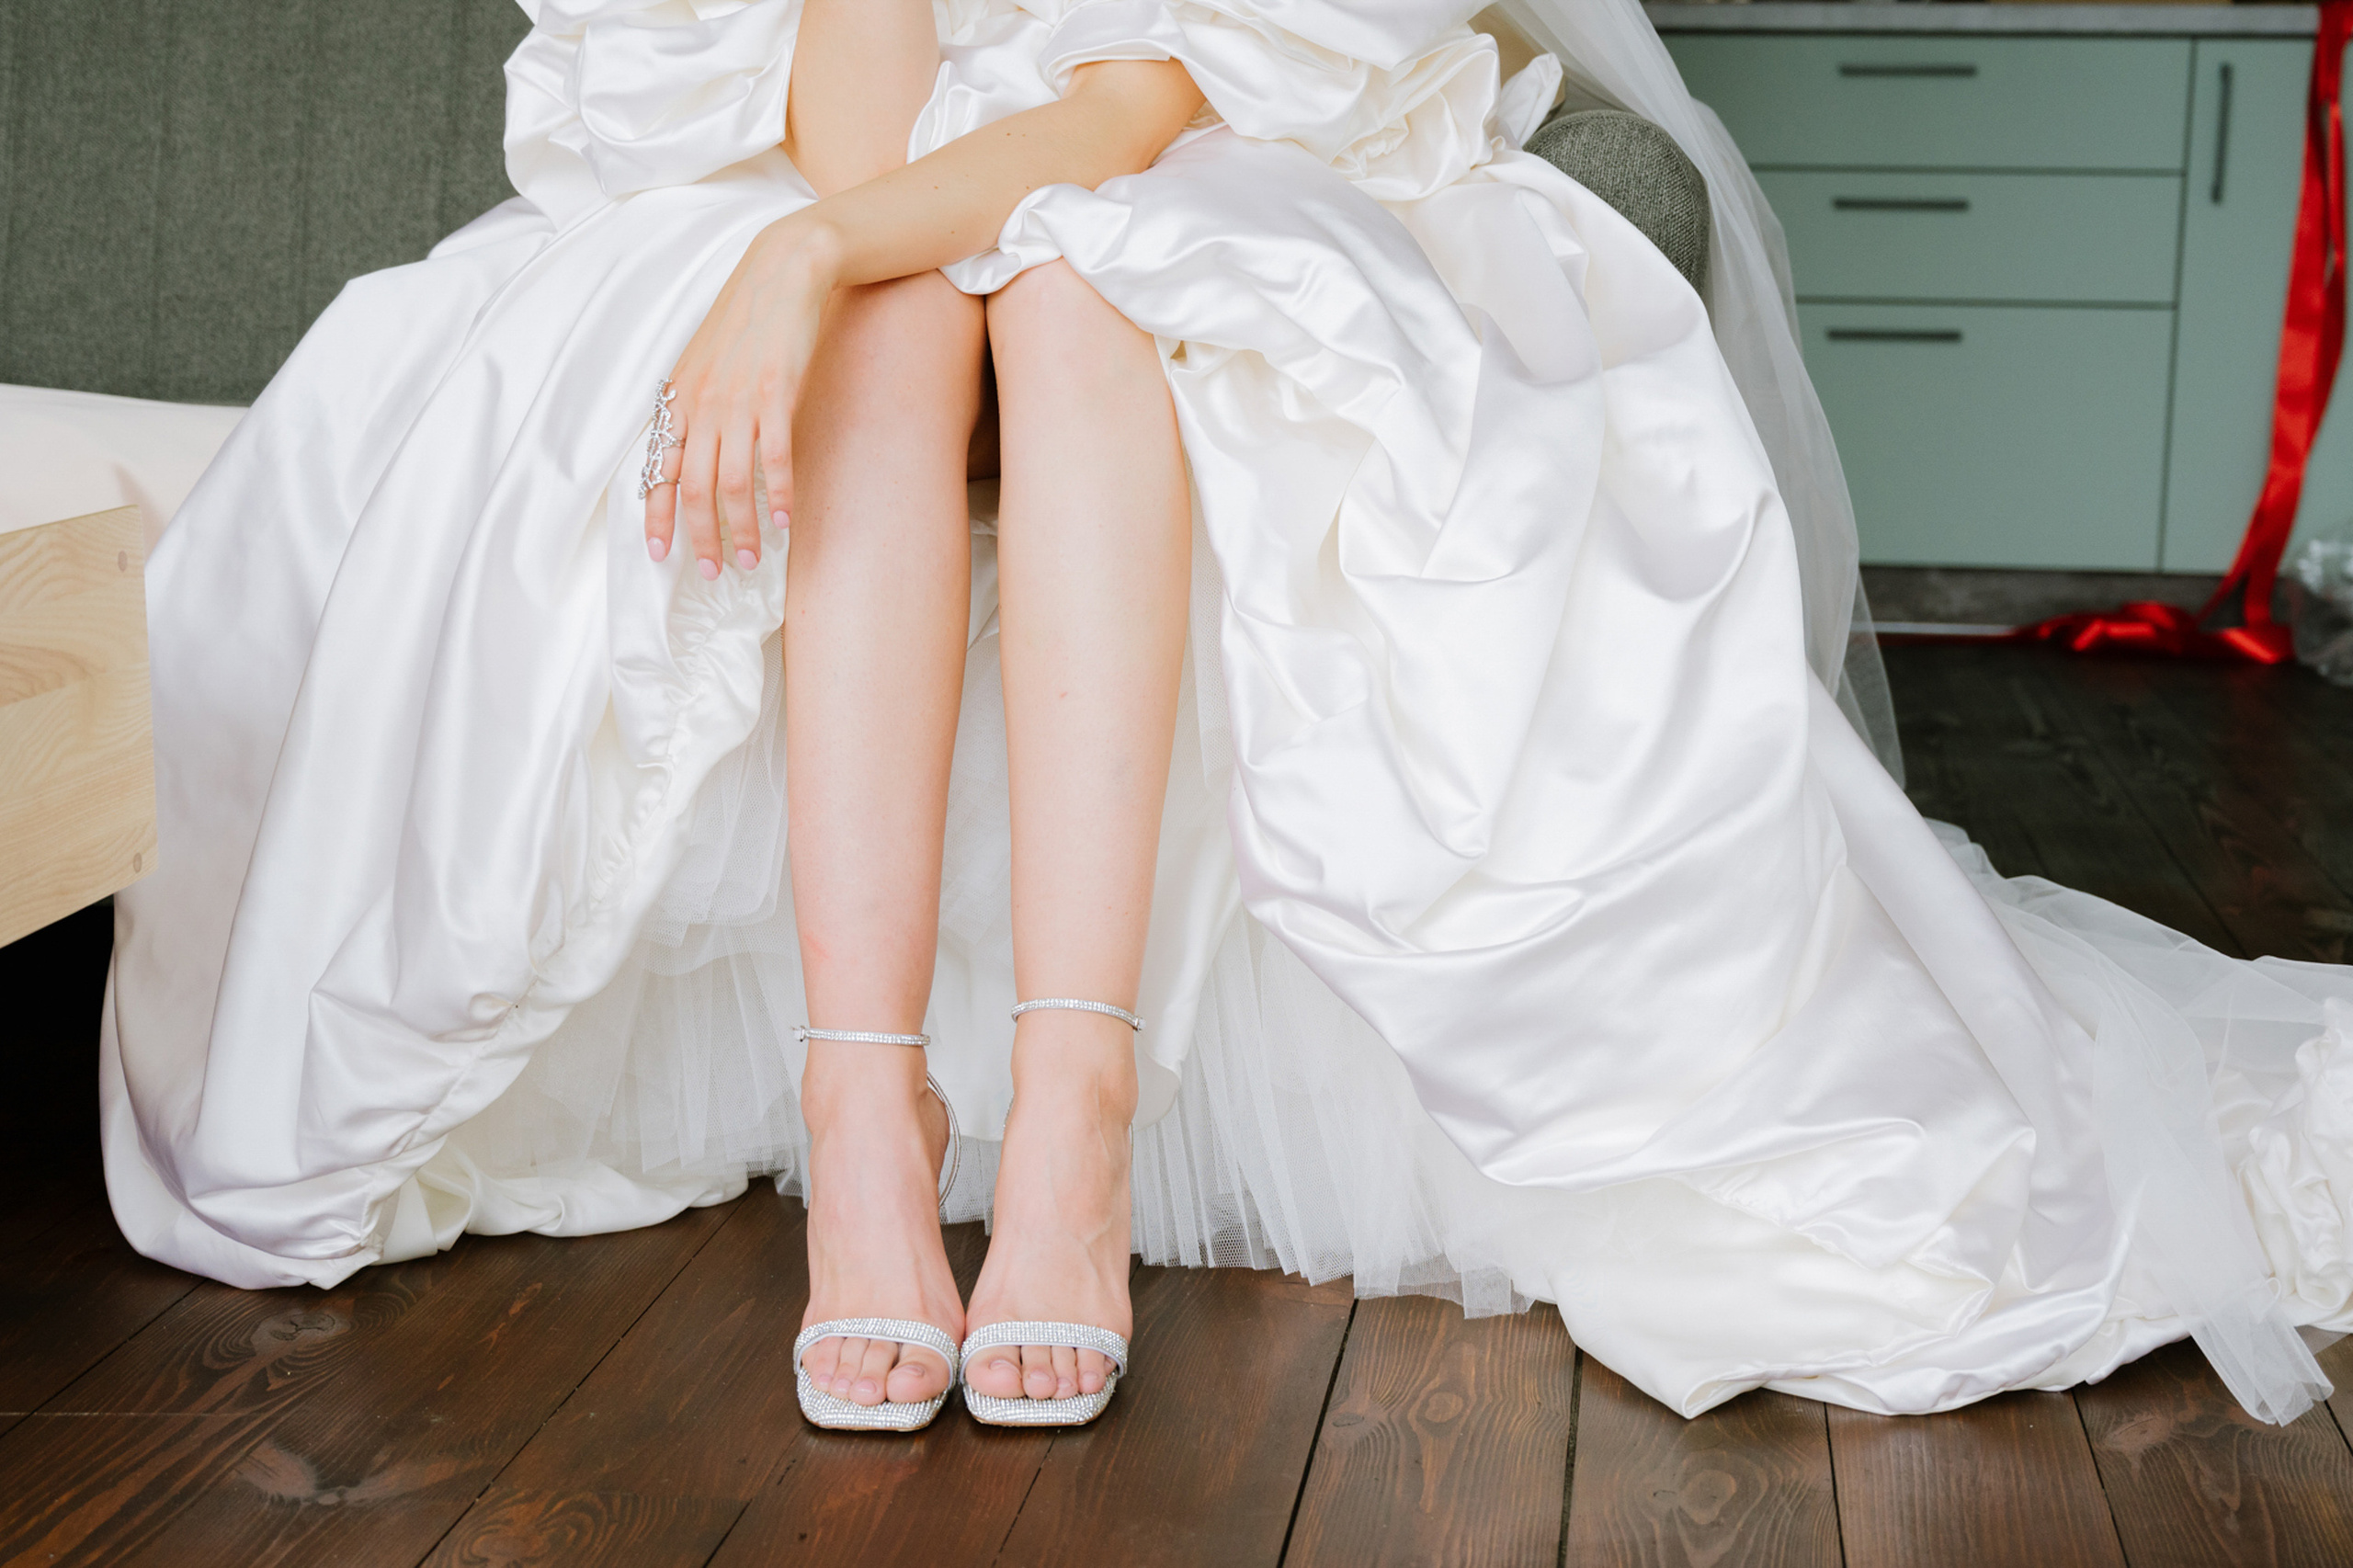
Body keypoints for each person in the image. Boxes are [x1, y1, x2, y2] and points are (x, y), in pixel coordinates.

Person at [103, 0, 2353, 1440]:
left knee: (1082, 290)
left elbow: (1123, 116)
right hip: (889, 217)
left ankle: (1072, 1116)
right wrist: (807, 257)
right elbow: (856, 139)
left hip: (1188, 185)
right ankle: (868, 1129)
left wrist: (807, 257)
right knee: (895, 328)